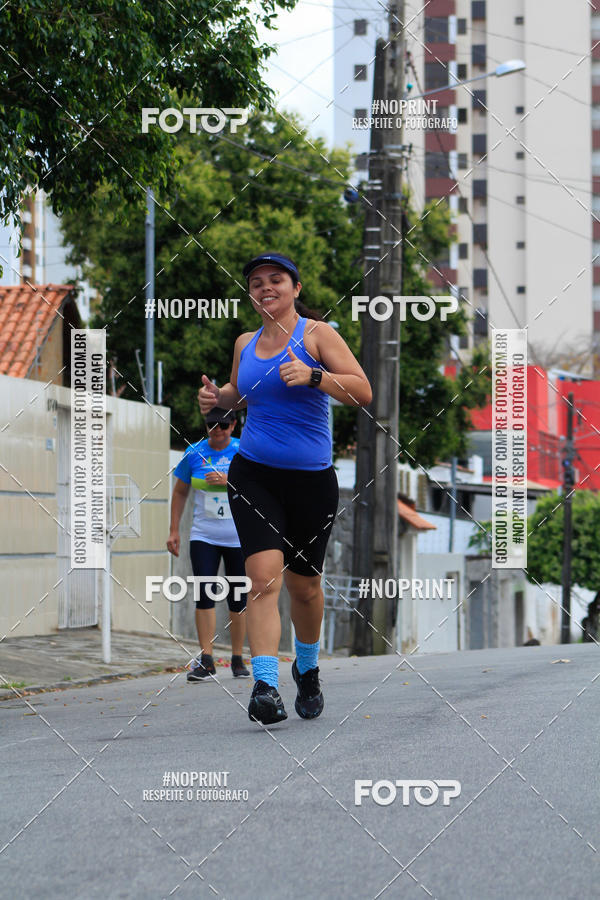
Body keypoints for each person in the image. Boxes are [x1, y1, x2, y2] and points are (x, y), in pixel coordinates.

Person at [198, 251, 372, 724]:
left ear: (296, 288)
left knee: (307, 588)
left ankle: (309, 670)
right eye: (256, 282)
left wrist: (316, 376)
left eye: (276, 280)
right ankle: (265, 687)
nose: (265, 287)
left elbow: (363, 391)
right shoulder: (244, 343)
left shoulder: (318, 335)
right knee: (263, 579)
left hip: (312, 482)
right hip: (253, 474)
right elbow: (240, 393)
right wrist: (218, 400)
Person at [167, 408, 250, 681]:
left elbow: (257, 487)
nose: (218, 430)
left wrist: (230, 481)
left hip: (238, 536)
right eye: (212, 425)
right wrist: (173, 530)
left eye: (224, 425)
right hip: (204, 535)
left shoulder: (244, 450)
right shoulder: (194, 453)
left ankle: (238, 658)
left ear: (234, 425)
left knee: (237, 598)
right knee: (204, 593)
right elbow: (180, 492)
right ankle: (206, 659)